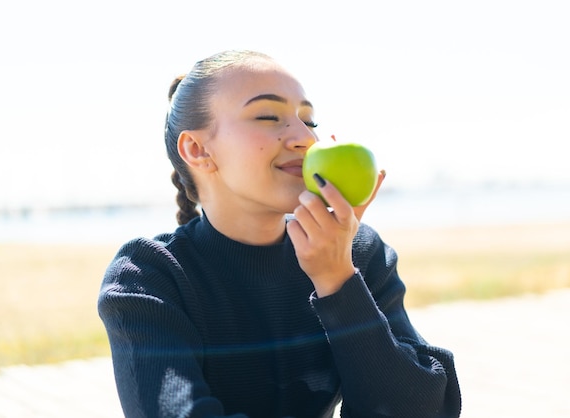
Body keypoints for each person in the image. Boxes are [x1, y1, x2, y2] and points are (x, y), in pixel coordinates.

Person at [98, 50, 461, 418]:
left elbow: (424, 411)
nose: (305, 138)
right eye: (269, 116)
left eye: (310, 121)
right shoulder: (148, 276)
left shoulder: (355, 253)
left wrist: (337, 282)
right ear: (197, 149)